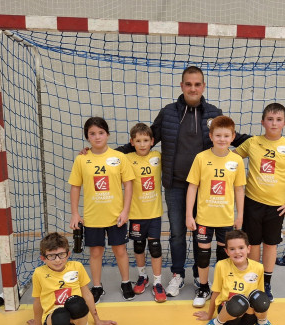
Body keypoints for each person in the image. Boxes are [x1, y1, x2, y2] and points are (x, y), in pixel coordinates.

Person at [116, 66, 250, 297]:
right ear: (182, 86)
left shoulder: (214, 113)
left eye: (197, 84)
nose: (193, 88)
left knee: (202, 234)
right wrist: (110, 153)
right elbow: (148, 138)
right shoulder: (168, 113)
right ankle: (177, 275)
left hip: (206, 189)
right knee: (177, 233)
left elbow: (232, 136)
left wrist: (263, 142)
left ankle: (200, 276)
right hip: (177, 185)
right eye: (188, 84)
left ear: (203, 86)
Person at [235, 103, 285, 302]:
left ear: (284, 123)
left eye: (278, 120)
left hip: (276, 207)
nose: (274, 123)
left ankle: (266, 283)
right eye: (270, 119)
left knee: (270, 245)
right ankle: (253, 281)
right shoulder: (252, 143)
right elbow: (232, 159)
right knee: (253, 244)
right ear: (263, 122)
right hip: (252, 203)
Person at [69, 117, 135, 303]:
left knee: (120, 250)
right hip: (93, 217)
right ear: (87, 137)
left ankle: (126, 283)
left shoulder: (119, 157)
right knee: (96, 253)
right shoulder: (82, 159)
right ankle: (97, 286)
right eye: (92, 134)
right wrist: (75, 213)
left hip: (116, 215)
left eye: (101, 132)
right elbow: (75, 186)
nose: (97, 137)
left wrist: (125, 211)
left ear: (107, 134)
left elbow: (128, 185)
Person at [186, 115, 246, 308]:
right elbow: (192, 187)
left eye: (226, 136)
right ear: (211, 136)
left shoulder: (236, 160)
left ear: (233, 137)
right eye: (218, 135)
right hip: (204, 217)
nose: (222, 139)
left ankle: (221, 290)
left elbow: (239, 189)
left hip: (226, 218)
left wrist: (240, 215)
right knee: (203, 255)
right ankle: (203, 288)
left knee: (223, 256)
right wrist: (189, 215)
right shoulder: (201, 158)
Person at [193, 230, 284, 325]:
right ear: (227, 251)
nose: (237, 252)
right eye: (232, 249)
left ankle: (263, 323)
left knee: (259, 297)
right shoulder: (221, 266)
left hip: (249, 319)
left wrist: (260, 313)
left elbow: (261, 295)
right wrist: (209, 315)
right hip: (228, 317)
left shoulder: (258, 267)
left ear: (248, 249)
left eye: (241, 248)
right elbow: (216, 293)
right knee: (238, 301)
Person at [125, 122, 166, 302]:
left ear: (152, 141)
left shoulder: (158, 156)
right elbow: (106, 156)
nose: (142, 144)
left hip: (154, 213)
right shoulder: (126, 158)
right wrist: (87, 151)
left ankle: (158, 282)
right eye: (138, 141)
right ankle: (143, 276)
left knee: (155, 248)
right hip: (135, 213)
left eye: (146, 140)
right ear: (132, 142)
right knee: (139, 247)